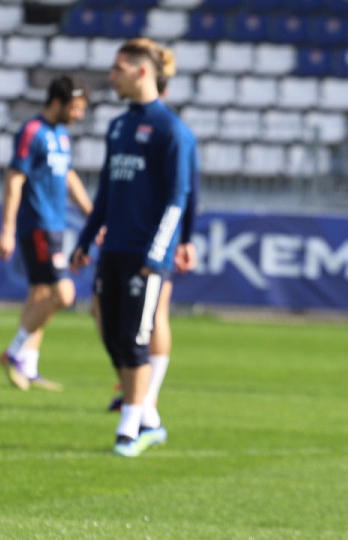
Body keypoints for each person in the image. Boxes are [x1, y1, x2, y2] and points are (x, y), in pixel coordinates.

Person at [70, 38, 195, 458]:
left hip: (146, 256)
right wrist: (86, 240)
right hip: (113, 251)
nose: (112, 76)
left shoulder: (170, 130)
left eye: (119, 68)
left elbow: (179, 198)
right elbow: (105, 192)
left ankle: (130, 427)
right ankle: (149, 419)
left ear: (142, 72)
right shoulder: (118, 126)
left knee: (135, 337)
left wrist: (157, 255)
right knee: (112, 336)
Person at [104, 52, 200, 420]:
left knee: (153, 314)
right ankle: (137, 392)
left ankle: (146, 400)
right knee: (126, 315)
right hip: (129, 238)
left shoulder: (172, 130)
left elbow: (187, 189)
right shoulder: (127, 125)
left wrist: (186, 237)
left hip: (157, 239)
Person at [0, 75, 93, 391]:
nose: (79, 115)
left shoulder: (61, 136)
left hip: (54, 225)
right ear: (57, 103)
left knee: (39, 296)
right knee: (64, 294)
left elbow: (69, 176)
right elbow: (14, 179)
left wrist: (93, 216)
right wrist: (7, 230)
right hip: (36, 225)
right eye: (75, 108)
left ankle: (28, 366)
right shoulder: (32, 132)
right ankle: (14, 352)